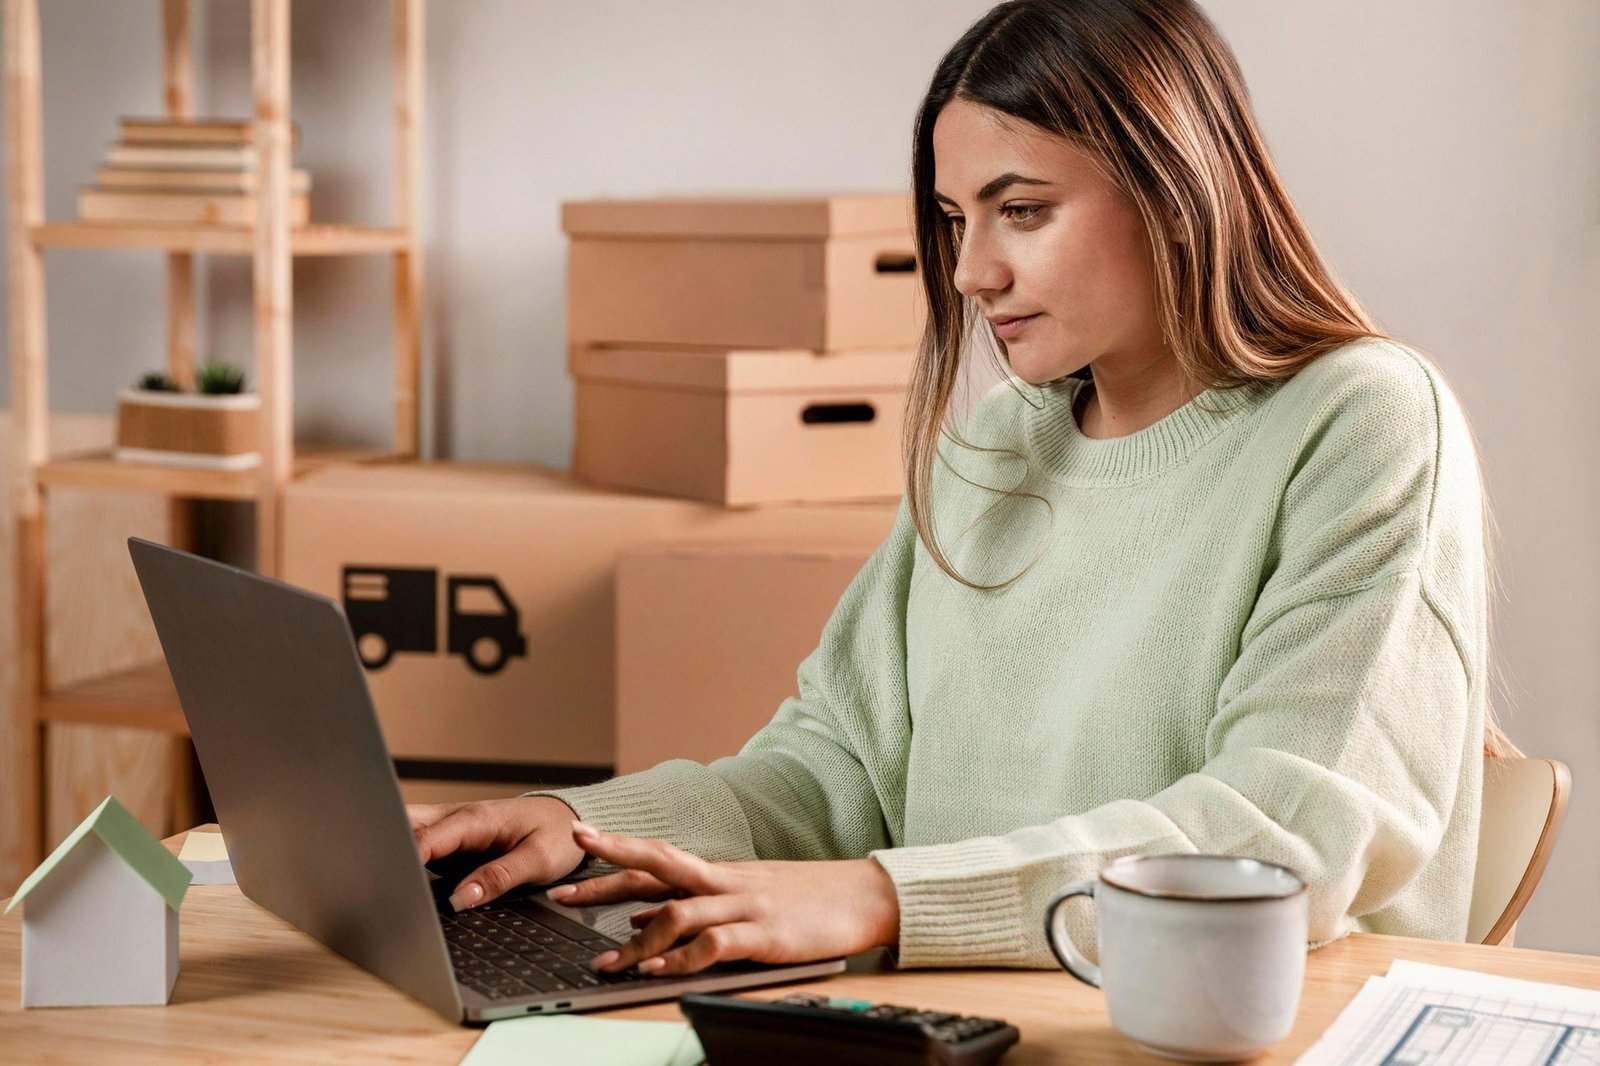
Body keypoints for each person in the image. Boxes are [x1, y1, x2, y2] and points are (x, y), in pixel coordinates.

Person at [410, 0, 1510, 980]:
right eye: (954, 220)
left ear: (1176, 192)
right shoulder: (992, 445)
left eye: (1020, 210)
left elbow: (1278, 836)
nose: (973, 271)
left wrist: (884, 898)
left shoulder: (1361, 420)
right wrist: (577, 826)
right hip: (963, 1019)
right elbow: (833, 773)